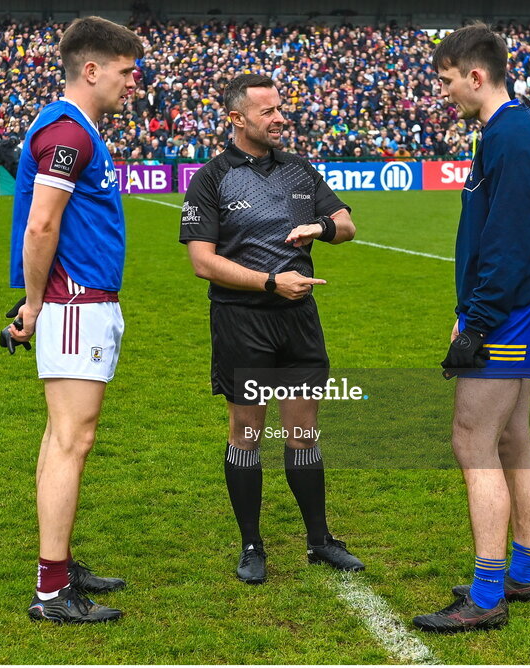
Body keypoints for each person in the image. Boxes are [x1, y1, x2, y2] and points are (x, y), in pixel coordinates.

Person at [179, 74, 364, 585]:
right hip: (243, 321)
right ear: (236, 120)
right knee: (247, 433)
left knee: (303, 429)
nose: (280, 117)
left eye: (280, 108)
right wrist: (268, 282)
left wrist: (320, 228)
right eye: (267, 111)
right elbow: (202, 262)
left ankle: (320, 540)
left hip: (299, 318)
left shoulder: (299, 170)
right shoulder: (212, 178)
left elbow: (346, 224)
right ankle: (252, 545)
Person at [412, 23, 530, 633]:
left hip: (506, 314)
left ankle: (487, 593)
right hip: (515, 309)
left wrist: (473, 322)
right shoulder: (511, 132)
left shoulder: (513, 138)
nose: (444, 93)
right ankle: (522, 572)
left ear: (476, 76)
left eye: (447, 81)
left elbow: (506, 245)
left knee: (472, 440)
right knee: (512, 438)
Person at [6, 16, 145, 624]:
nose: (133, 84)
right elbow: (42, 226)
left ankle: (57, 563)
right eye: (126, 72)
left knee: (60, 436)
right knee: (72, 439)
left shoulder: (74, 129)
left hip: (77, 303)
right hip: (72, 306)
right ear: (92, 70)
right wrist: (35, 307)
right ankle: (52, 591)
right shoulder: (69, 133)